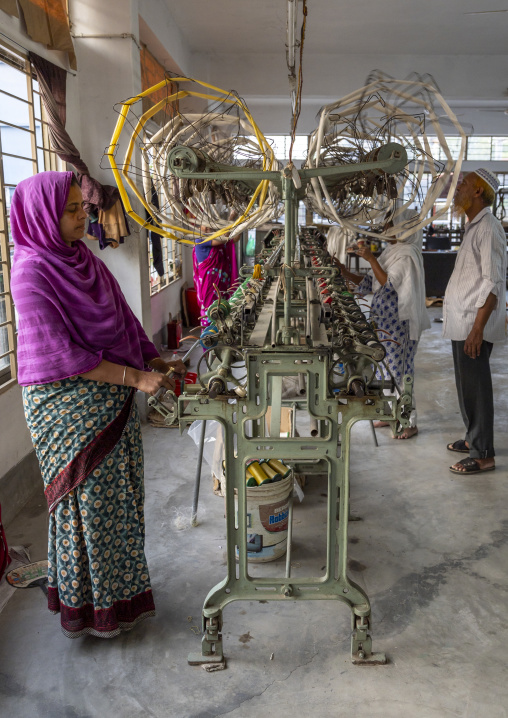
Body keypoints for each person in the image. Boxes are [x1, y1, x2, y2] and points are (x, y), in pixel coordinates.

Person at [10, 171, 185, 638]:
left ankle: (124, 597)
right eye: (70, 210)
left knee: (119, 501)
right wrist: (136, 377)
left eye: (81, 206)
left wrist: (153, 356)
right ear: (41, 217)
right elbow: (64, 357)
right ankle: (90, 611)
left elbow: (122, 314)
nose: (82, 215)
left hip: (112, 397)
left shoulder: (82, 259)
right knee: (87, 506)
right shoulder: (31, 273)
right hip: (65, 405)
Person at [335, 209, 430, 439]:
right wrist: (345, 272)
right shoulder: (392, 251)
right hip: (384, 323)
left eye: (390, 225)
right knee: (385, 371)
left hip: (401, 325)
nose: (385, 230)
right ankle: (390, 415)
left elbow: (388, 284)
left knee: (401, 373)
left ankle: (409, 422)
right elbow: (371, 282)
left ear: (403, 228)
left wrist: (370, 258)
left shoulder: (407, 255)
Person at [443, 169, 506, 475]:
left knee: (476, 388)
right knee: (466, 386)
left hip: (473, 323)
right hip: (463, 321)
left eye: (463, 184)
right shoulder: (473, 226)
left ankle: (483, 454)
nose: (457, 188)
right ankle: (472, 439)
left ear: (478, 191)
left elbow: (493, 282)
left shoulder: (488, 228)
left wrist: (478, 328)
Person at [192, 225, 240, 328]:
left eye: (209, 225)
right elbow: (223, 239)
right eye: (204, 225)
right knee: (211, 311)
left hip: (222, 285)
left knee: (224, 310)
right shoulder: (200, 240)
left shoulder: (218, 241)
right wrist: (232, 219)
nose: (207, 227)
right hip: (209, 286)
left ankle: (223, 334)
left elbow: (235, 238)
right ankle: (208, 338)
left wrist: (241, 225)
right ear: (199, 227)